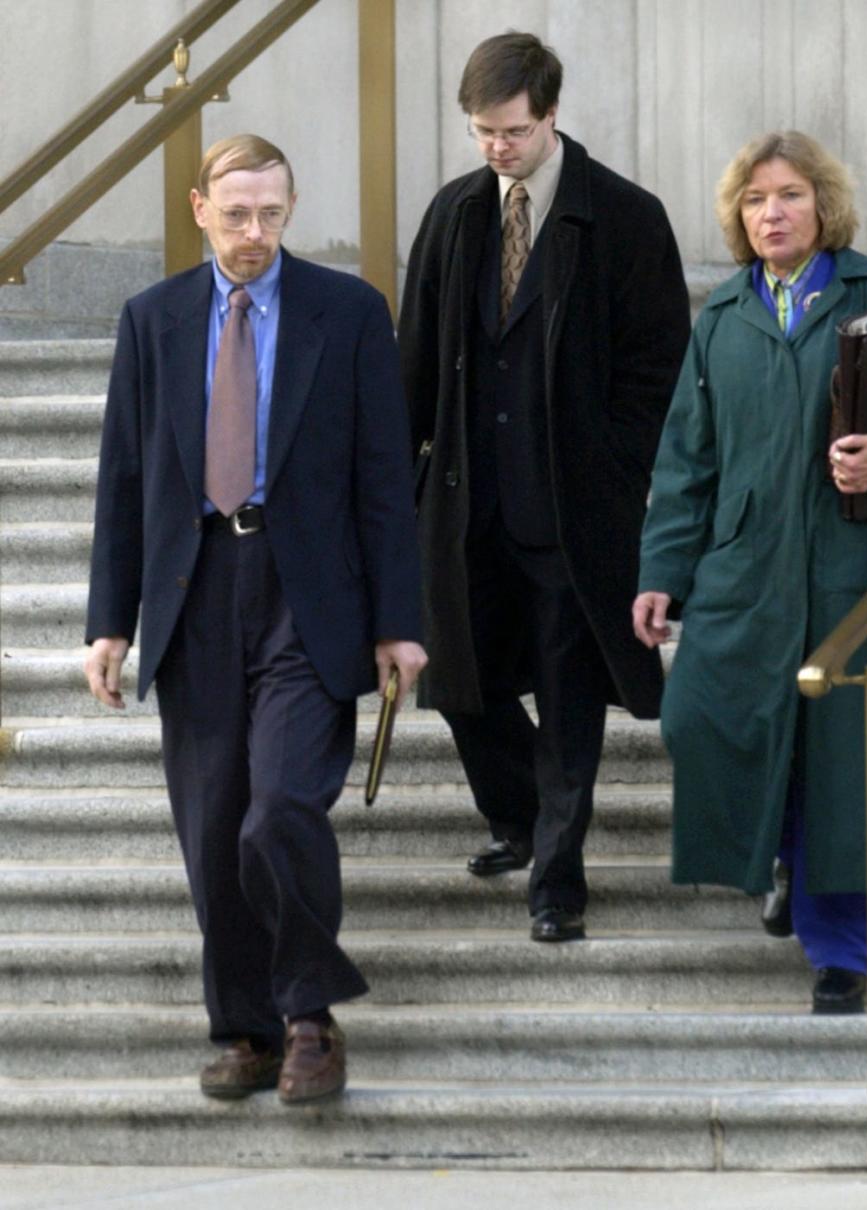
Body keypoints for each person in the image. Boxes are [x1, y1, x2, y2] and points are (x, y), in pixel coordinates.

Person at [84, 134, 427, 1101]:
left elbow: (383, 484)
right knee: (213, 824)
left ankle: (311, 1016)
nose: (254, 233)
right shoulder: (152, 319)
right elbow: (126, 478)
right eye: (235, 213)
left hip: (306, 591)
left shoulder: (349, 312)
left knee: (278, 810)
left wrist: (399, 620)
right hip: (192, 591)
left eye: (271, 213)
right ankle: (246, 1030)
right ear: (199, 208)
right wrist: (109, 622)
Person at [633, 130, 867, 1013]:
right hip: (743, 571)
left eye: (789, 195)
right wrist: (663, 569)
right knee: (703, 717)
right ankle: (782, 856)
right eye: (754, 199)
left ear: (824, 206)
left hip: (857, 569)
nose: (771, 212)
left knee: (848, 759)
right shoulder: (725, 313)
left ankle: (842, 951)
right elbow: (685, 459)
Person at [399, 33, 689, 943]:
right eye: (482, 131)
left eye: (513, 130)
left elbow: (660, 366)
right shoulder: (453, 215)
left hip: (573, 511)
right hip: (466, 504)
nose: (496, 147)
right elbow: (415, 359)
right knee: (457, 681)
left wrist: (614, 465)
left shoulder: (626, 218)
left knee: (568, 699)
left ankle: (557, 877)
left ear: (552, 113)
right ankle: (520, 818)